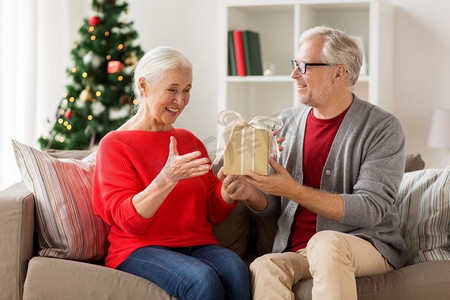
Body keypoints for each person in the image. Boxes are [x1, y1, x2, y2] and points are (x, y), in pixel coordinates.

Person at [238, 26, 408, 299]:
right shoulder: (285, 123)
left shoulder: (382, 127)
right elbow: (273, 205)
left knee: (326, 242)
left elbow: (370, 209)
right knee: (265, 265)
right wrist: (252, 194)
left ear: (339, 72)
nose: (294, 74)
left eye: (304, 66)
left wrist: (293, 189)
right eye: (295, 65)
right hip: (299, 251)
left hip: (366, 246)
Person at [92, 46, 251, 300]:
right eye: (172, 90)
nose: (181, 101)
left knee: (235, 269)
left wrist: (227, 194)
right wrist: (166, 178)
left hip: (196, 244)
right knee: (202, 279)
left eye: (187, 90)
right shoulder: (115, 145)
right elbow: (126, 218)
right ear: (144, 86)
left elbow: (213, 209)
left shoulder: (188, 140)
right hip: (139, 249)